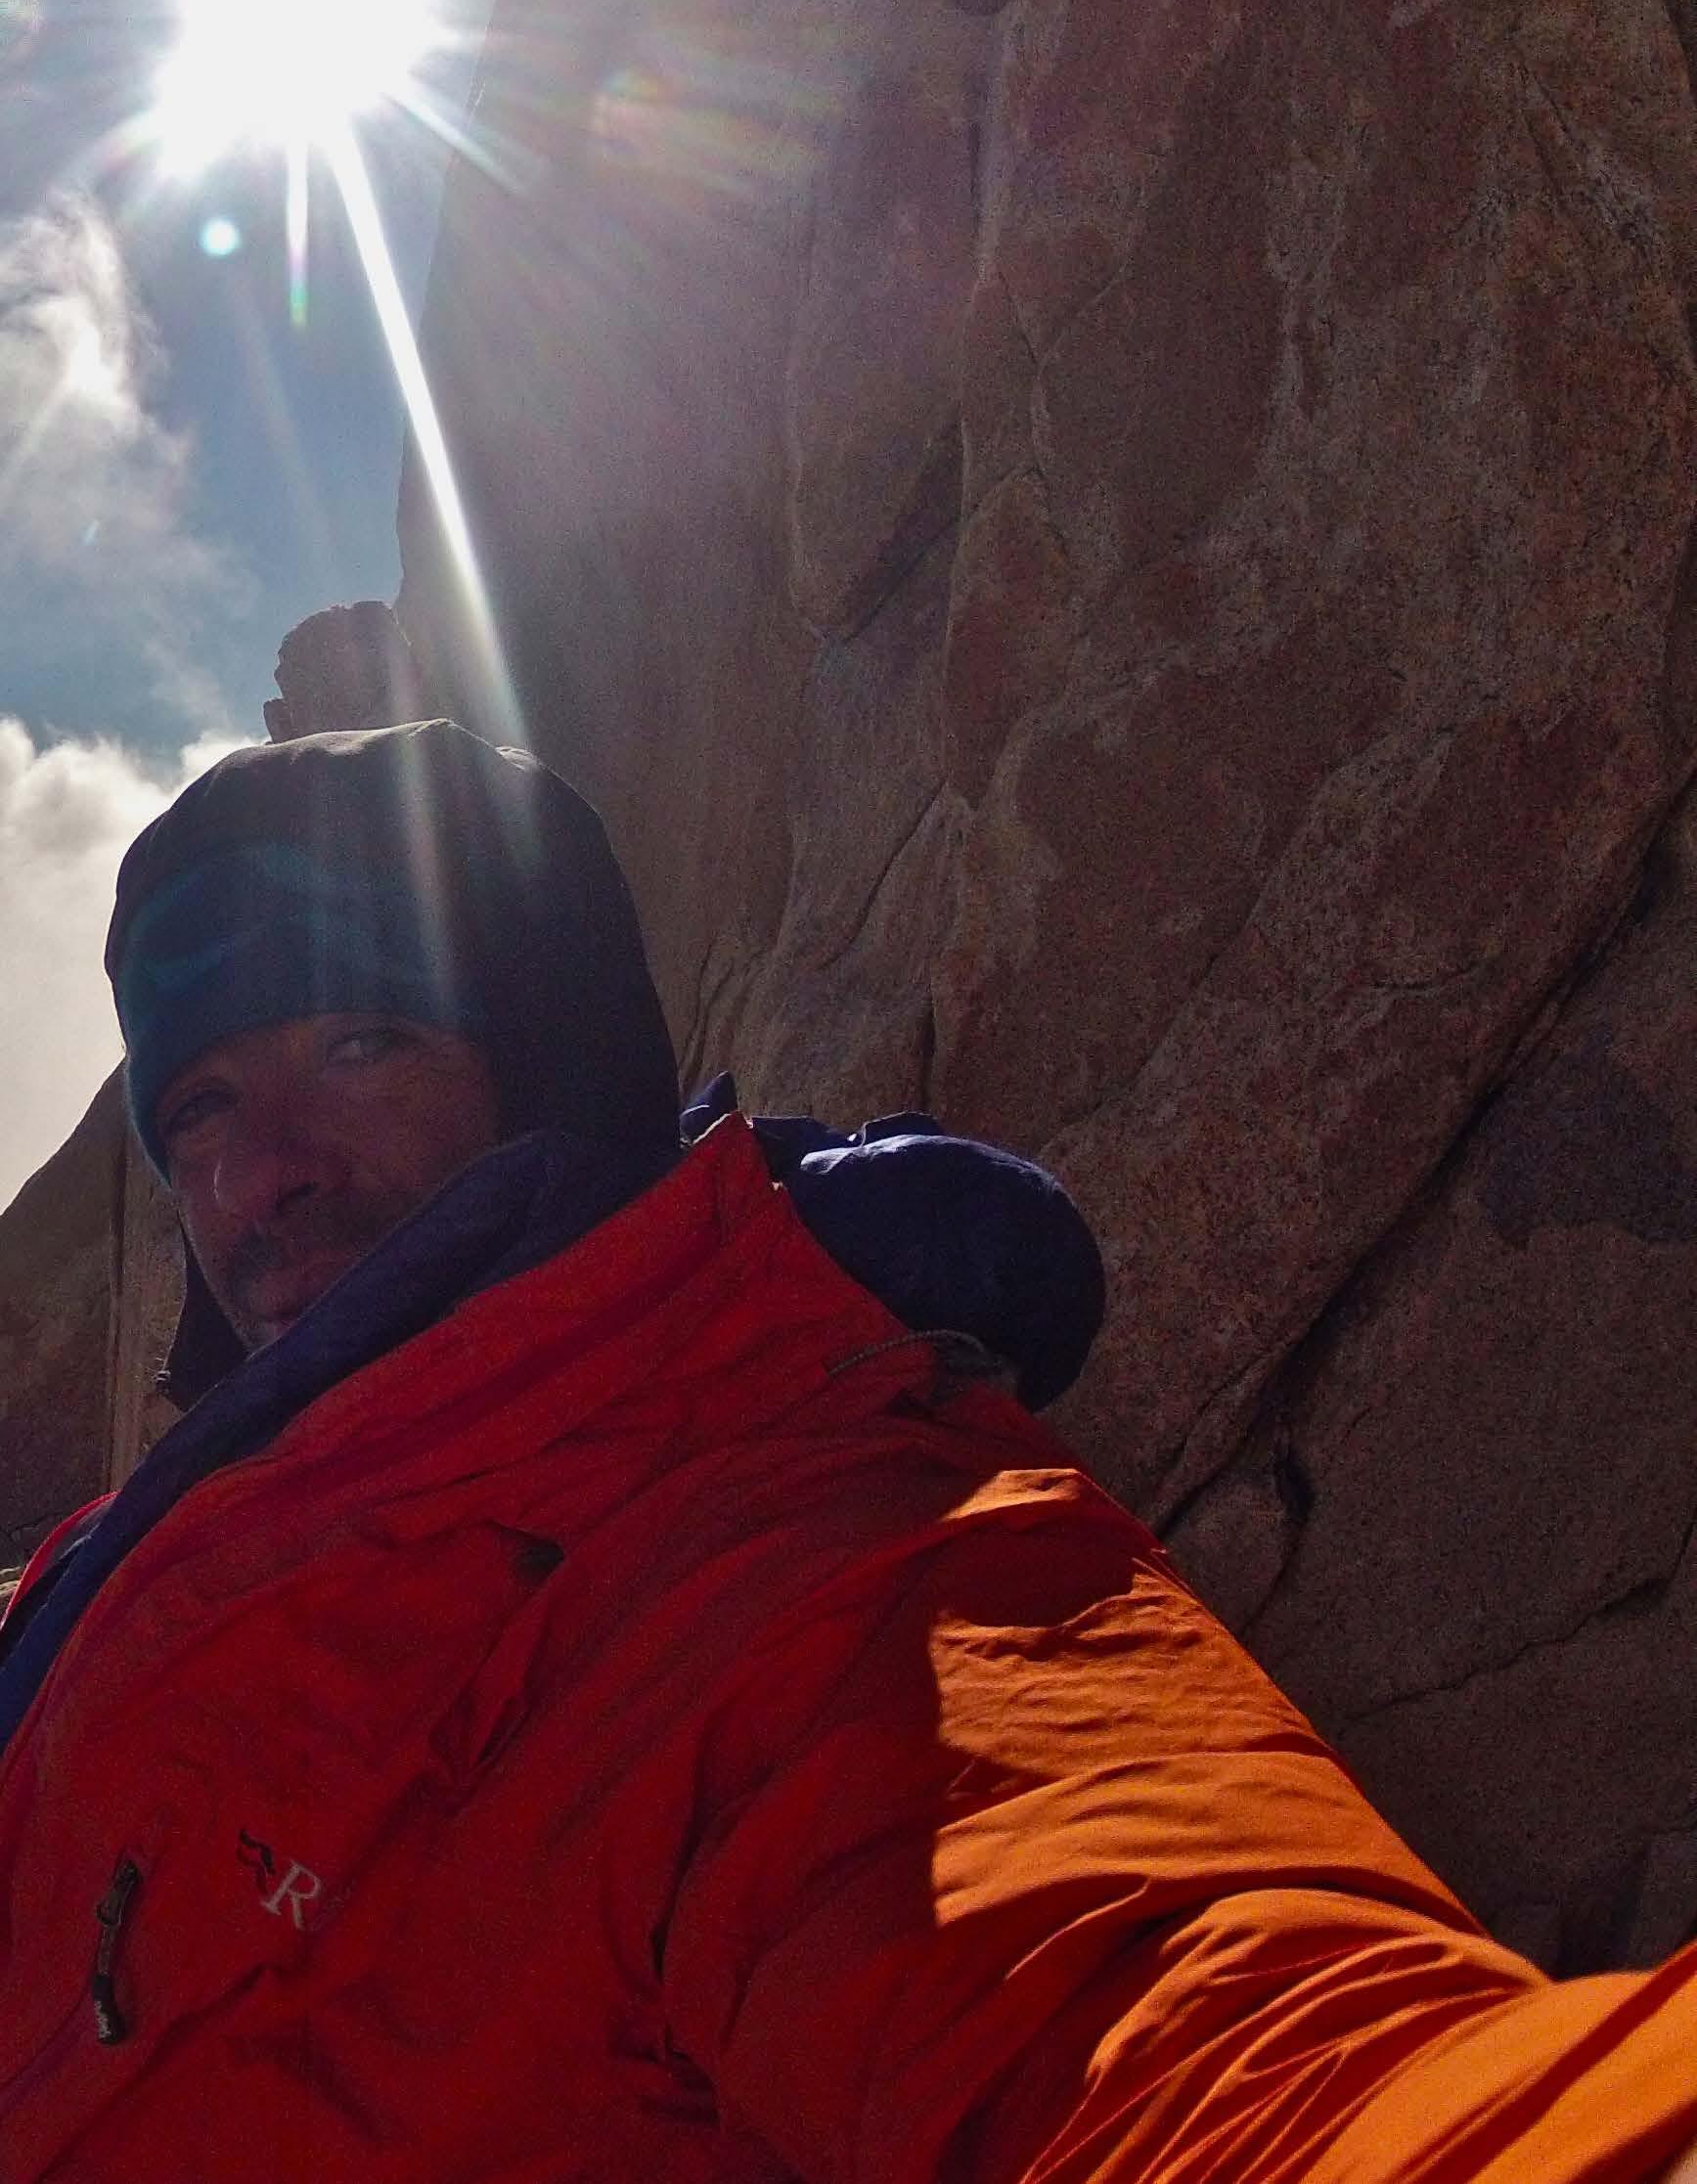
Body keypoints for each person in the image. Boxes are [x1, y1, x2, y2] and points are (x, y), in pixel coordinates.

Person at [2, 716, 1696, 2183]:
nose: (264, 1171)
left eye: (359, 1042)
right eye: (202, 1108)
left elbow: (1172, 2013)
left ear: (546, 1058)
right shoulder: (149, 1543)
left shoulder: (785, 1533)